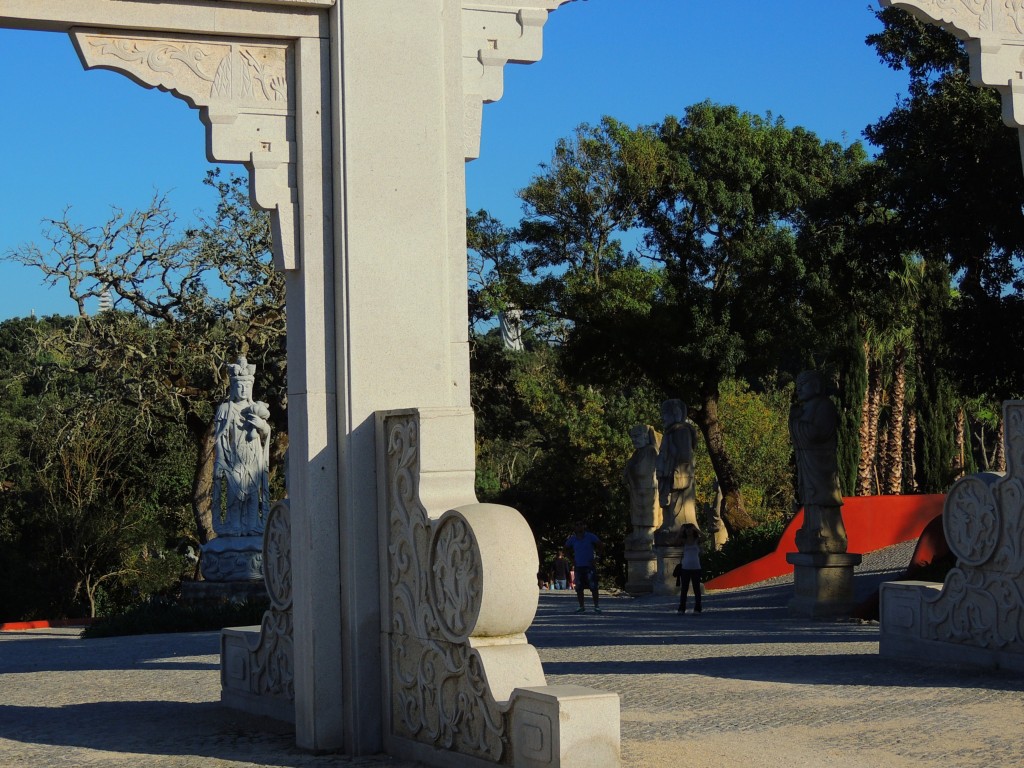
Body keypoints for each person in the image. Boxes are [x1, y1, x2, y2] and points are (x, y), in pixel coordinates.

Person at [212, 356, 272, 537]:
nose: (244, 389)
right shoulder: (226, 409)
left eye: (247, 385)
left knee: (253, 495)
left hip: (254, 458)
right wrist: (220, 461)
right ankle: (235, 526)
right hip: (234, 459)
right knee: (234, 495)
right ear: (233, 387)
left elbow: (266, 433)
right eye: (240, 386)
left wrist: (262, 426)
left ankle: (252, 526)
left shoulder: (256, 409)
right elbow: (220, 438)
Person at [789, 371, 847, 554]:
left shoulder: (824, 406)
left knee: (821, 496)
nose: (799, 389)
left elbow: (818, 434)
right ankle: (812, 528)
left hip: (821, 464)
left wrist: (796, 423)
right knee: (810, 498)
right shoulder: (806, 409)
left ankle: (827, 532)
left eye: (803, 385)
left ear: (815, 386)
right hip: (807, 462)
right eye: (798, 386)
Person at [655, 399, 700, 544]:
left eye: (665, 414)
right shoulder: (671, 432)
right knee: (669, 504)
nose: (663, 417)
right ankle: (669, 524)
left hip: (678, 474)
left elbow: (685, 456)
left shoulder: (681, 431)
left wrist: (676, 469)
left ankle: (677, 527)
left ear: (675, 414)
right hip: (668, 473)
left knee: (678, 504)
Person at [565, 520, 604, 613]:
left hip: (589, 566)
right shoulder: (573, 539)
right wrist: (571, 559)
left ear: (584, 526)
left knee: (593, 587)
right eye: (577, 525)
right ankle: (581, 606)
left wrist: (597, 558)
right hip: (578, 566)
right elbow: (565, 548)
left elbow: (600, 545)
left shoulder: (590, 536)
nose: (579, 526)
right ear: (575, 527)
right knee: (579, 587)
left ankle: (596, 606)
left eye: (580, 524)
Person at [676, 523, 704, 614]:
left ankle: (697, 608)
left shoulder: (697, 540)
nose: (688, 531)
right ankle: (682, 608)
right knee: (684, 589)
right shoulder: (683, 541)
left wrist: (696, 529)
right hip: (685, 568)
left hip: (696, 568)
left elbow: (705, 538)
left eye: (690, 529)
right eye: (687, 529)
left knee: (696, 589)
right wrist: (680, 531)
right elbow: (675, 541)